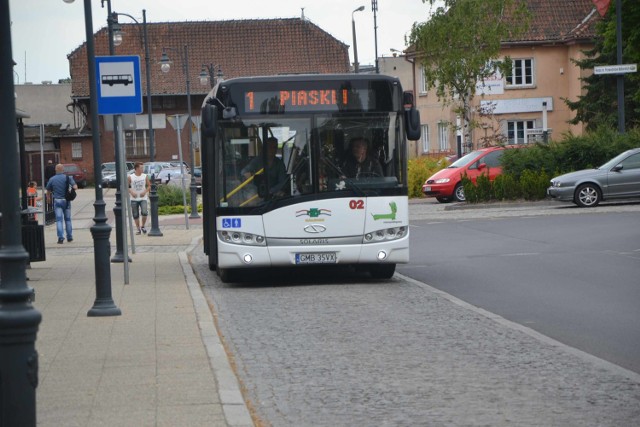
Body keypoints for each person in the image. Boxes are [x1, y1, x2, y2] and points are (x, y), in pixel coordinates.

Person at [46, 163, 77, 244]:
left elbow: (48, 190)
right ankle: (69, 237)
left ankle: (60, 238)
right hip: (66, 201)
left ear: (55, 170)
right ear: (63, 170)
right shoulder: (68, 178)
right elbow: (75, 187)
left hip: (57, 201)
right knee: (68, 219)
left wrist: (49, 199)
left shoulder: (52, 179)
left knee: (59, 220)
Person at [128, 162, 151, 235]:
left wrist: (145, 192)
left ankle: (143, 226)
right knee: (135, 214)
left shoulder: (145, 176)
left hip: (143, 198)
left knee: (144, 212)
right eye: (141, 167)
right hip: (134, 199)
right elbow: (126, 186)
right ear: (137, 168)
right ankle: (138, 229)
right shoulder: (130, 177)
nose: (142, 169)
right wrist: (131, 192)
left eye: (143, 167)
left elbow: (149, 185)